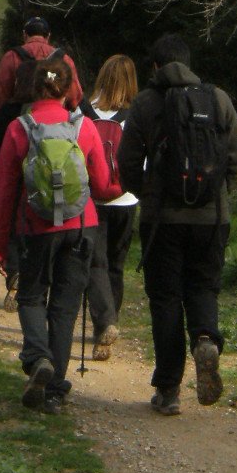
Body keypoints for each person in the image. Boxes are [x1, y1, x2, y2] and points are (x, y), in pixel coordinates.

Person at [117, 33, 237, 416]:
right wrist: (216, 194)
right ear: (189, 64)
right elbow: (236, 158)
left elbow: (127, 162)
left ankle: (169, 388)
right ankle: (205, 338)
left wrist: (147, 194)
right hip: (212, 219)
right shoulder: (218, 99)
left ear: (155, 66)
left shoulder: (145, 103)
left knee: (166, 298)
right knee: (203, 287)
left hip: (162, 221)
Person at [0, 57, 120, 412]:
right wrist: (128, 186)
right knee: (64, 308)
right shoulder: (84, 127)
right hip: (81, 227)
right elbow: (102, 186)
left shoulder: (19, 129)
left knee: (31, 296)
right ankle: (54, 393)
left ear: (34, 87)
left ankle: (38, 357)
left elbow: (4, 193)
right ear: (68, 89)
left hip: (35, 228)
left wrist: (0, 245)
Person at [84, 54, 140, 361]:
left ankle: (104, 323)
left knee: (96, 264)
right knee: (116, 265)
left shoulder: (84, 111)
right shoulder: (135, 116)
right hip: (126, 198)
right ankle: (110, 323)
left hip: (92, 199)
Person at [0, 54, 40, 311]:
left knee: (12, 227)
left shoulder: (9, 110)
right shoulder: (48, 112)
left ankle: (15, 273)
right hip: (43, 182)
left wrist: (3, 169)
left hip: (15, 178)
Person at [0, 15, 84, 144]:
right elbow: (75, 97)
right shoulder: (64, 59)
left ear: (24, 35)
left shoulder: (11, 57)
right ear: (48, 36)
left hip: (22, 130)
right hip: (59, 130)